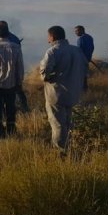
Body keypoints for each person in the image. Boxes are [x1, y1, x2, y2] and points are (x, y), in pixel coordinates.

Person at [39, 26, 87, 154]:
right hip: (73, 93)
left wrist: (47, 76)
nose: (48, 39)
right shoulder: (77, 50)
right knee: (67, 122)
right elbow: (84, 67)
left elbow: (44, 73)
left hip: (56, 94)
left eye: (48, 36)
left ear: (52, 37)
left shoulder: (52, 51)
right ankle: (69, 146)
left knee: (57, 124)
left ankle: (61, 152)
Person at [0, 20, 29, 112]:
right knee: (16, 90)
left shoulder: (12, 39)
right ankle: (21, 108)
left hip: (10, 70)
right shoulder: (13, 38)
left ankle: (22, 108)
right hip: (8, 70)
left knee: (15, 90)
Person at [74, 25, 95, 90]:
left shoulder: (81, 39)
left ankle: (82, 90)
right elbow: (92, 48)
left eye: (76, 31)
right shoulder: (90, 37)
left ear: (81, 30)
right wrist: (88, 57)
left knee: (80, 76)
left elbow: (79, 51)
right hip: (87, 59)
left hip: (81, 60)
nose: (75, 33)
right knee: (84, 76)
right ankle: (85, 89)